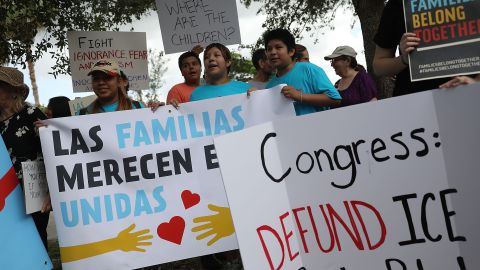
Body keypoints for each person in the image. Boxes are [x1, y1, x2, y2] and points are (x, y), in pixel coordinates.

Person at [0, 66, 51, 249]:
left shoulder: (32, 115)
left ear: (15, 91)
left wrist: (51, 192)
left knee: (35, 243)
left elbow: (52, 152)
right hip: (5, 195)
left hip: (33, 193)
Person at [372, 0, 451, 96]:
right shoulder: (397, 4)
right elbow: (378, 66)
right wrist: (403, 60)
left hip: (466, 90)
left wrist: (474, 80)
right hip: (413, 97)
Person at [264, 29, 341, 116]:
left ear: (291, 51)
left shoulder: (309, 69)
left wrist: (299, 96)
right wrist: (254, 97)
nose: (273, 52)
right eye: (269, 49)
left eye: (278, 47)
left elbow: (335, 99)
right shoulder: (269, 87)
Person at [78, 59, 144, 115]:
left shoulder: (139, 108)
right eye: (96, 78)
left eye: (107, 78)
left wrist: (153, 112)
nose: (101, 82)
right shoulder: (81, 114)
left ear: (118, 81)